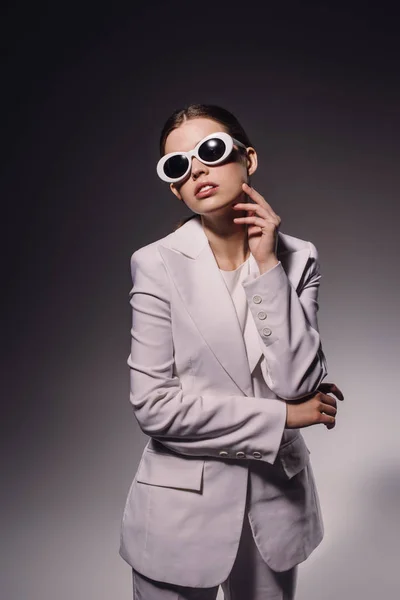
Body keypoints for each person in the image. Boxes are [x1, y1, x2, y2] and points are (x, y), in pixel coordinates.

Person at [119, 103, 344, 600]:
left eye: (211, 150)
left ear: (249, 158)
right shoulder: (155, 264)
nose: (196, 168)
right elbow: (155, 407)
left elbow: (298, 382)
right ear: (175, 186)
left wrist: (267, 268)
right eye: (178, 165)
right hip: (178, 514)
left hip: (276, 510)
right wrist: (283, 417)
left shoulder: (298, 257)